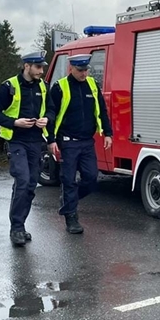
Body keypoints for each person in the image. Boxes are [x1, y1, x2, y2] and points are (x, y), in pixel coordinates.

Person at [0, 51, 52, 247]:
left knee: (30, 184)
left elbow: (51, 110)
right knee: (23, 181)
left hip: (36, 142)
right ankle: (16, 227)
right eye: (38, 67)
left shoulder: (43, 86)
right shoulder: (9, 86)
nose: (41, 71)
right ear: (27, 66)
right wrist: (15, 122)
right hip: (16, 141)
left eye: (42, 67)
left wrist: (47, 119)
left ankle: (20, 226)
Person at [45, 54, 113, 234]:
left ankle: (69, 201)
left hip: (87, 142)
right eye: (80, 70)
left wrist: (108, 133)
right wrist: (51, 139)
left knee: (91, 178)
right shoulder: (60, 87)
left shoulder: (92, 85)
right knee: (68, 180)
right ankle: (71, 218)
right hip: (68, 142)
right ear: (71, 69)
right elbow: (51, 114)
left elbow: (102, 110)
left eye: (86, 70)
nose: (84, 73)